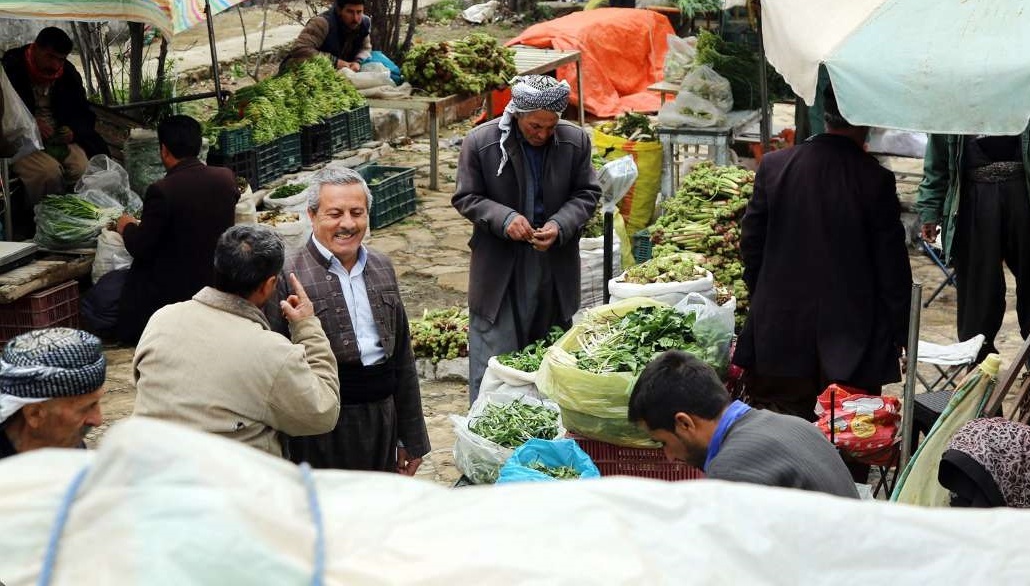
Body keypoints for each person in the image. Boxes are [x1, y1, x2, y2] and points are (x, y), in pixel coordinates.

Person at [735, 85, 912, 420]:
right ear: (866, 122)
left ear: (824, 116)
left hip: (779, 337)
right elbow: (892, 269)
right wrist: (900, 330)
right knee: (846, 436)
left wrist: (765, 300)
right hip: (852, 346)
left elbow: (751, 246)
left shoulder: (775, 167)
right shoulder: (874, 180)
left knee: (781, 438)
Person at [271, 167, 429, 474]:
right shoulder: (288, 274)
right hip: (319, 426)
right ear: (312, 215)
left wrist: (410, 437)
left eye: (357, 213)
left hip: (381, 418)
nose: (347, 224)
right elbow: (274, 364)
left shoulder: (382, 266)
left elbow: (401, 358)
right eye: (335, 213)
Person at [453, 75, 601, 401]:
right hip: (500, 265)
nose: (543, 134)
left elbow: (587, 193)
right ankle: (490, 427)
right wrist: (505, 219)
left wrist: (560, 224)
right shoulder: (482, 143)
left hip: (553, 261)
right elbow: (467, 197)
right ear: (517, 113)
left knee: (550, 352)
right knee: (496, 355)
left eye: (550, 127)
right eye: (535, 126)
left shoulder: (574, 141)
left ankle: (546, 427)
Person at [133, 225, 340, 458]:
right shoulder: (271, 352)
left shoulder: (163, 319)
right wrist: (306, 326)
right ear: (269, 285)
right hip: (229, 484)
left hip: (150, 473)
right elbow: (324, 411)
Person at [918, 91, 1030, 360]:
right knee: (979, 294)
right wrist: (930, 209)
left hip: (1026, 199)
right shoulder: (951, 99)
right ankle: (979, 367)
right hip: (975, 202)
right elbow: (936, 164)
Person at [81, 115, 239, 345]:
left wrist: (127, 226)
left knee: (105, 294)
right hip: (214, 277)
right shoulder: (225, 178)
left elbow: (141, 247)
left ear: (164, 150)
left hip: (172, 289)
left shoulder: (162, 190)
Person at [629, 350, 859, 498]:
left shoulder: (732, 470)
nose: (668, 456)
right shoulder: (795, 425)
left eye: (663, 443)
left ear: (684, 424)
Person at [1, 26, 109, 205]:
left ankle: (78, 217)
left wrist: (73, 131)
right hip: (21, 142)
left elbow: (83, 111)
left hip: (58, 139)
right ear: (35, 49)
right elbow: (4, 115)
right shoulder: (10, 69)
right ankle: (44, 220)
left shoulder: (67, 74)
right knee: (48, 174)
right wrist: (30, 124)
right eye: (50, 57)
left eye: (61, 60)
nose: (55, 66)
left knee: (82, 169)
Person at [0, 327, 105, 459]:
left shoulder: (68, 449)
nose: (98, 420)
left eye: (96, 403)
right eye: (85, 408)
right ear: (34, 414)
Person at [289, 0, 372, 71]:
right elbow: (300, 49)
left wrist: (358, 62)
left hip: (342, 70)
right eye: (350, 12)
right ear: (339, 10)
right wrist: (334, 62)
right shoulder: (321, 23)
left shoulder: (364, 23)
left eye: (359, 12)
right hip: (309, 71)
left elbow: (365, 48)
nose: (355, 18)